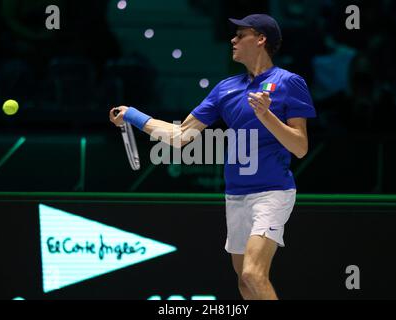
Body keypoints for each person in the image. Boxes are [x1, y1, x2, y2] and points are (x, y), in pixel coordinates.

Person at [109, 14, 316, 300]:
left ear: (261, 39)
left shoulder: (289, 83)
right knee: (244, 284)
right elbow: (181, 136)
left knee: (253, 275)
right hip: (235, 196)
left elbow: (300, 146)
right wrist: (133, 115)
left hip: (272, 192)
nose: (233, 39)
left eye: (240, 34)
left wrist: (266, 115)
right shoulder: (226, 89)